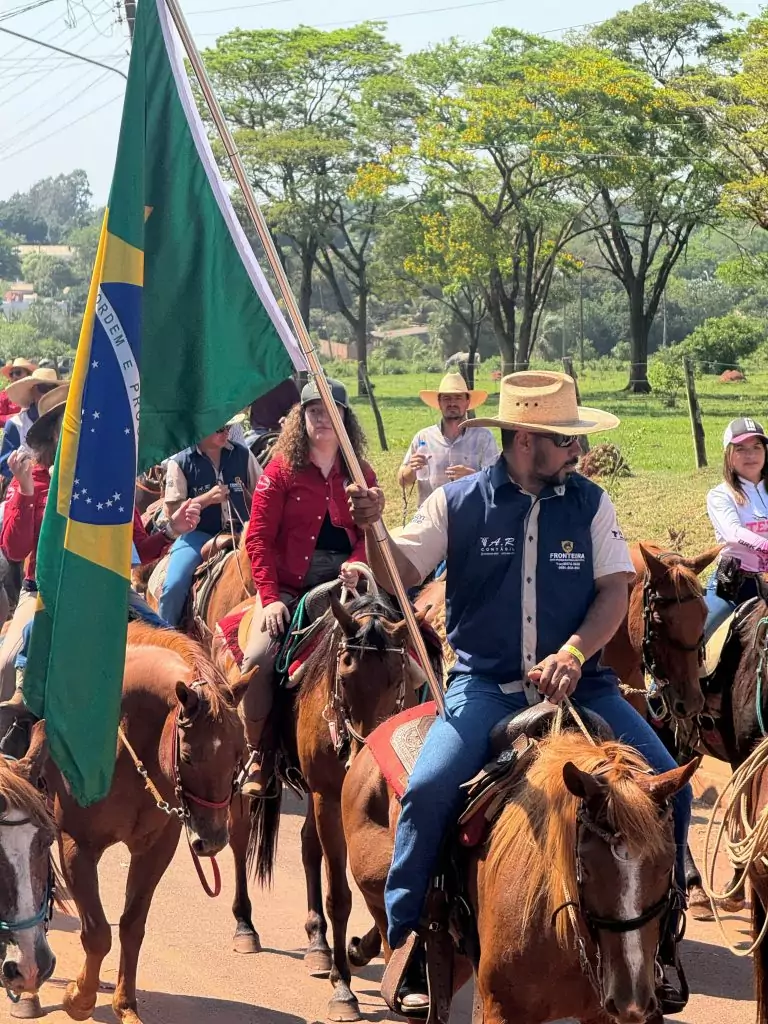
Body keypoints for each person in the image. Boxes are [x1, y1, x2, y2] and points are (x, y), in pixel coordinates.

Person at [347, 370, 693, 1001]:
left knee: (669, 787)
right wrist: (371, 530)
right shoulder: (456, 503)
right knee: (427, 790)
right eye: (566, 441)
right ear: (526, 439)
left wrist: (575, 651)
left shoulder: (592, 503)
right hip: (486, 686)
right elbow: (398, 567)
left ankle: (661, 943)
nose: (577, 453)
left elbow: (615, 589)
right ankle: (410, 934)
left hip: (582, 687)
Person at [0, 384, 203, 702]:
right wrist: (26, 491)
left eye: (86, 420)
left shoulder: (113, 478)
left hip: (109, 586)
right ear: (54, 434)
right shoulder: (32, 480)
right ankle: (14, 735)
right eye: (71, 422)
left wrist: (170, 531)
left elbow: (138, 550)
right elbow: (14, 549)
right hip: (44, 590)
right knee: (7, 663)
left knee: (170, 640)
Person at [240, 377, 377, 797]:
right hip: (290, 587)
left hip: (346, 584)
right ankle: (258, 754)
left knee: (397, 646)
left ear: (344, 420)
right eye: (314, 411)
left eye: (330, 412)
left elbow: (367, 535)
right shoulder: (279, 472)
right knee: (258, 660)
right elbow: (258, 538)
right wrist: (269, 599)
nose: (322, 419)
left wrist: (357, 564)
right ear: (301, 419)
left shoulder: (360, 473)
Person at [158, 425, 261, 626]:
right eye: (220, 429)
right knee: (174, 586)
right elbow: (172, 510)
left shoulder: (243, 454)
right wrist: (205, 499)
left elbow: (262, 490)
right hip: (196, 535)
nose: (226, 433)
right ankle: (166, 634)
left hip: (242, 531)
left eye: (229, 428)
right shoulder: (180, 461)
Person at [704, 417, 768, 639]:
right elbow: (733, 532)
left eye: (756, 447)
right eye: (740, 448)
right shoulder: (720, 495)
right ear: (728, 455)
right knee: (698, 635)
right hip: (734, 584)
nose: (750, 455)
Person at [397, 372, 499, 506]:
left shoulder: (484, 438)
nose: (452, 403)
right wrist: (412, 468)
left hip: (470, 513)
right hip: (430, 514)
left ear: (467, 402)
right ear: (439, 403)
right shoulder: (423, 437)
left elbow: (497, 481)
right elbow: (403, 481)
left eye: (458, 398)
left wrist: (472, 477)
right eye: (446, 398)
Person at [0, 367, 61, 479]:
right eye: (43, 387)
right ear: (32, 391)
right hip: (28, 490)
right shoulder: (16, 425)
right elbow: (5, 469)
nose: (48, 393)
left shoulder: (64, 420)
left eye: (52, 388)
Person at [0, 359, 35, 428]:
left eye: (18, 373)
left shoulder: (36, 392)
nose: (14, 376)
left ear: (28, 374)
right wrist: (16, 417)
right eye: (11, 374)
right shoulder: (4, 395)